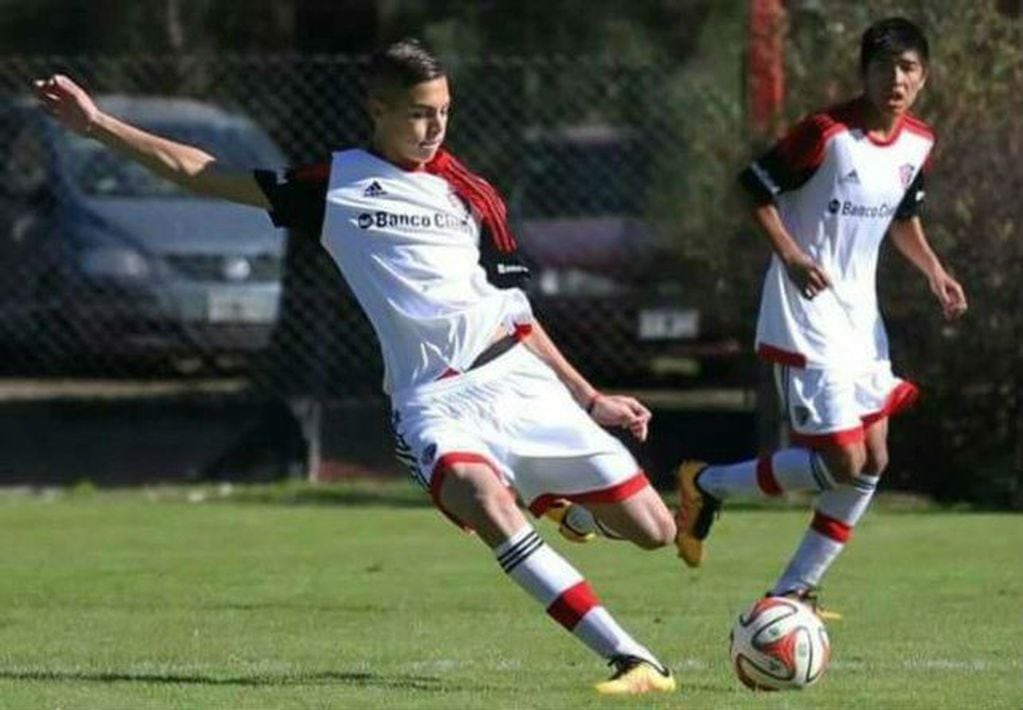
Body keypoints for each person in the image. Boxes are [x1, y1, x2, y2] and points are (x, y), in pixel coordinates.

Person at [35, 39, 679, 695]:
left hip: (521, 382)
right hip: (434, 402)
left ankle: (564, 506)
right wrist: (97, 127)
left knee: (655, 531)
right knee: (484, 498)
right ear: (377, 109)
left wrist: (589, 397)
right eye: (419, 114)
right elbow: (202, 172)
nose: (434, 129)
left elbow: (516, 313)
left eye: (444, 113)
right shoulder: (337, 185)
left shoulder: (475, 195)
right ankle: (632, 658)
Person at [675, 17, 968, 617]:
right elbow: (754, 186)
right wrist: (790, 253)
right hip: (805, 313)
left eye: (907, 67)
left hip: (861, 320)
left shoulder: (918, 143)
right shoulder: (825, 132)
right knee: (843, 460)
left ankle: (791, 591)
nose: (896, 78)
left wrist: (933, 270)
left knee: (875, 461)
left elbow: (902, 215)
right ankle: (706, 484)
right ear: (864, 73)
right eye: (884, 66)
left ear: (924, 77)